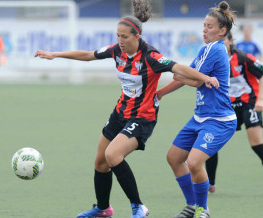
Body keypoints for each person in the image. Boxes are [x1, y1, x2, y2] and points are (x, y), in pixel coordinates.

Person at [35, 1, 218, 217]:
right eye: (118, 36)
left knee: (113, 155)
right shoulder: (116, 51)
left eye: (125, 37)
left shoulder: (151, 56)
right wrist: (56, 54)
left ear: (136, 36)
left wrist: (204, 77)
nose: (120, 41)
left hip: (143, 117)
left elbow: (178, 67)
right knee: (101, 161)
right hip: (120, 112)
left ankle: (138, 206)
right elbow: (88, 54)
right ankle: (103, 209)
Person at [156, 1, 236, 217]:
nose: (205, 30)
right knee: (174, 158)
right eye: (204, 26)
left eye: (210, 26)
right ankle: (191, 206)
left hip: (219, 120)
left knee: (193, 162)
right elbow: (188, 76)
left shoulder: (215, 49)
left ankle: (203, 209)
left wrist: (185, 75)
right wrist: (161, 92)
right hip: (200, 118)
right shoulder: (205, 49)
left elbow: (194, 79)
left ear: (222, 31)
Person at [205, 31, 263, 193]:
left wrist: (260, 100)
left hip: (248, 103)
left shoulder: (243, 58)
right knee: (211, 144)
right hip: (227, 107)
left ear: (230, 41)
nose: (221, 44)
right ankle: (210, 183)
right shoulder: (213, 60)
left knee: (257, 144)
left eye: (224, 41)